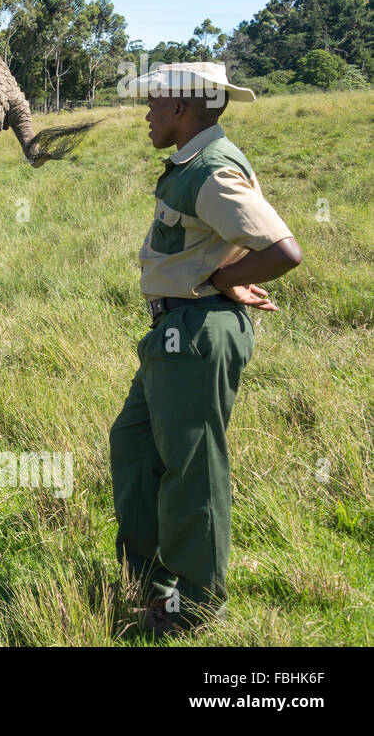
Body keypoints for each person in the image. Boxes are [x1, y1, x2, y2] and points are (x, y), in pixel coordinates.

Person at [110, 62, 302, 634]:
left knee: (192, 468)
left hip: (196, 332)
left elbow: (284, 250)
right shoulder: (190, 164)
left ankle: (192, 607)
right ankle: (150, 583)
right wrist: (224, 272)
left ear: (181, 109)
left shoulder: (213, 171)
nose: (147, 112)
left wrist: (224, 280)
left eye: (155, 103)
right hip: (173, 331)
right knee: (136, 449)